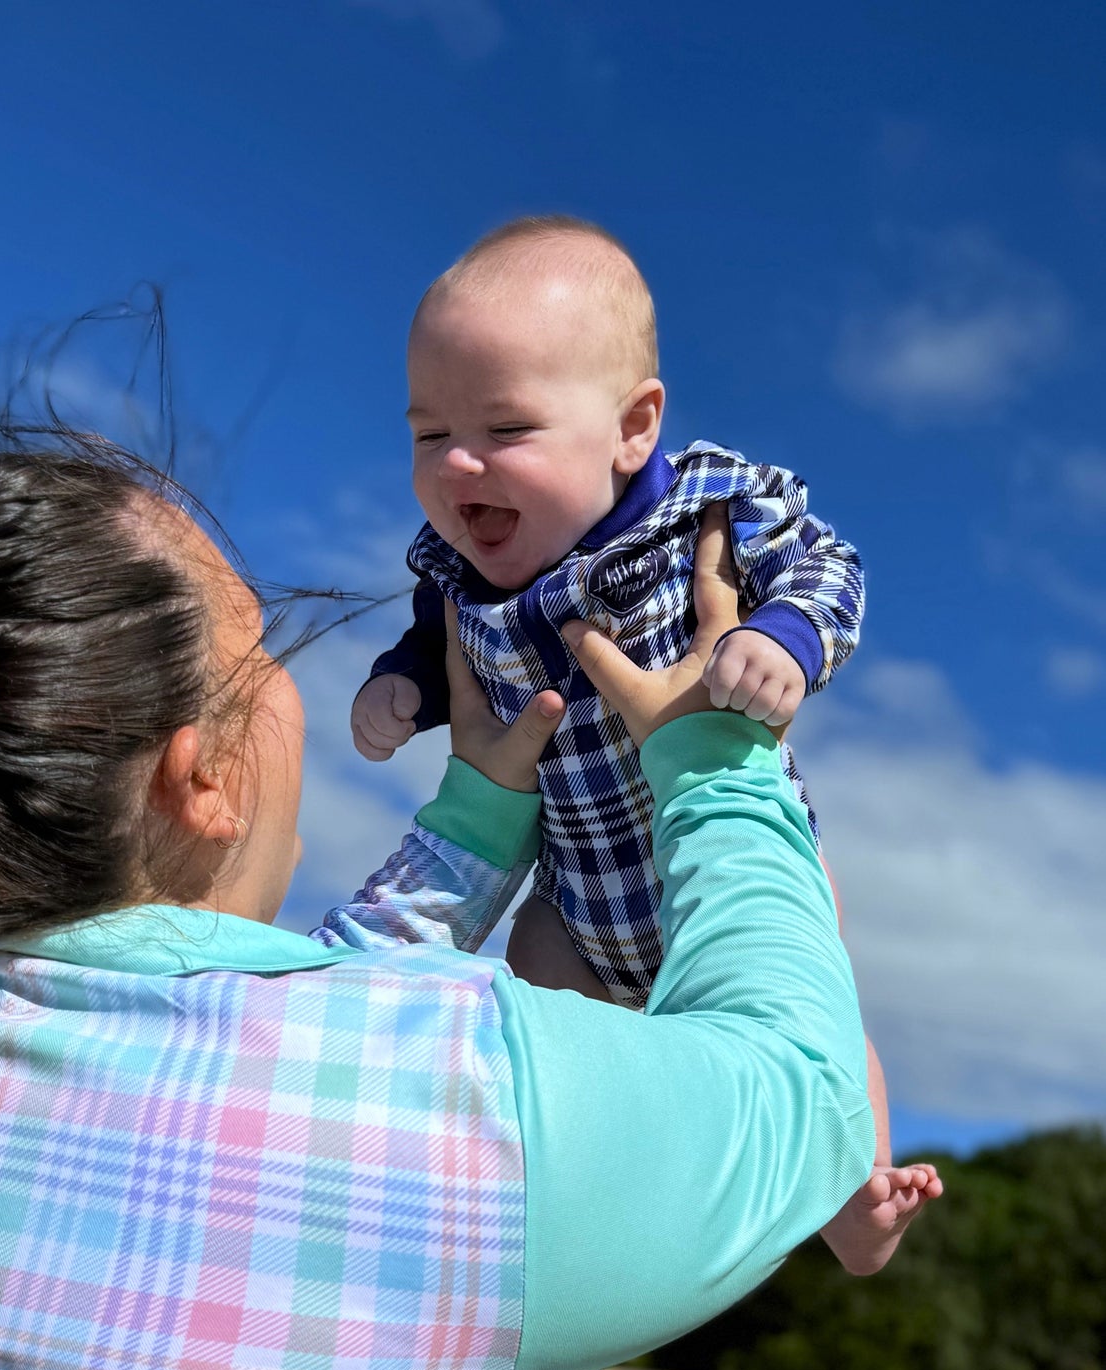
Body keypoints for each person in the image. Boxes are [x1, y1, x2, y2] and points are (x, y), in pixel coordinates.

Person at [0, 441, 882, 1370]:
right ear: (200, 773)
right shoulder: (446, 1110)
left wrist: (475, 817)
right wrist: (711, 761)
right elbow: (807, 1092)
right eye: (260, 651)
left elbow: (256, 1054)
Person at [352, 215, 940, 1274]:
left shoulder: (702, 514)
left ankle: (857, 1195)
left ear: (632, 426)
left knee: (812, 995)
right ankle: (545, 1194)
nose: (458, 462)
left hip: (722, 869)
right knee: (528, 1013)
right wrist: (398, 685)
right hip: (575, 903)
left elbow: (829, 567)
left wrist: (781, 636)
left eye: (505, 428)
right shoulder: (452, 568)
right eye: (426, 433)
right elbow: (428, 636)